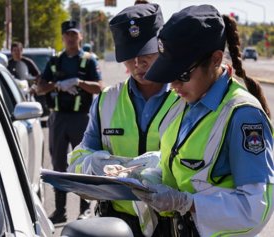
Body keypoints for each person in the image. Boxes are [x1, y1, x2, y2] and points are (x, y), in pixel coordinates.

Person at [130, 5, 273, 236]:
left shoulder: (243, 116)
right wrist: (145, 174)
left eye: (183, 74)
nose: (174, 85)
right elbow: (179, 166)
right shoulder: (184, 102)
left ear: (216, 60)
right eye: (169, 73)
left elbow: (254, 208)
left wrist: (187, 203)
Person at [67, 3, 178, 237]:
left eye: (145, 53)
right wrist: (92, 167)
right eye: (129, 56)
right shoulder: (106, 100)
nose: (137, 64)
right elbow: (80, 155)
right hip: (117, 225)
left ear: (162, 46)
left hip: (174, 222)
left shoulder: (186, 97)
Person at [37, 20, 103, 224]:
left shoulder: (89, 60)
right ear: (63, 37)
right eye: (67, 34)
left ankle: (85, 209)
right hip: (58, 118)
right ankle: (60, 211)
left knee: (82, 162)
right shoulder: (55, 60)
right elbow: (40, 88)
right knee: (58, 164)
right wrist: (57, 85)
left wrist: (78, 82)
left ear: (80, 37)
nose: (71, 38)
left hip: (81, 119)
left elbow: (99, 87)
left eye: (74, 34)